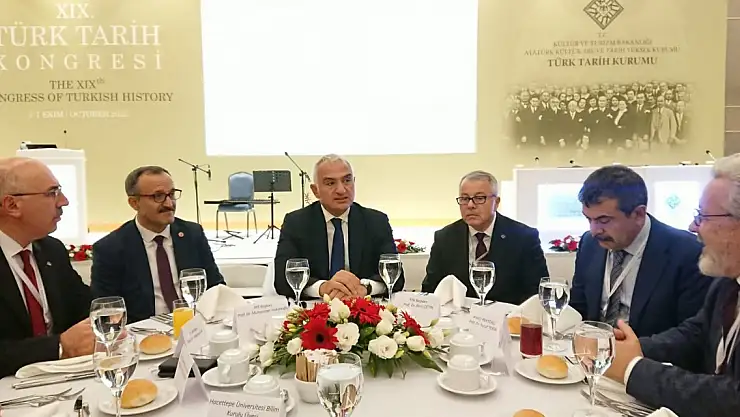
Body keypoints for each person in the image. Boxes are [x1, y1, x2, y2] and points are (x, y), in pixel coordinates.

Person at [604, 154, 740, 416]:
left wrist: (633, 368)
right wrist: (634, 347)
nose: (693, 227)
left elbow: (733, 397)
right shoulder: (727, 282)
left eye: (703, 216)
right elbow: (697, 333)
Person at [570, 165, 711, 337]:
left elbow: (693, 333)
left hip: (648, 351)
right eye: (589, 219)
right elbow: (578, 308)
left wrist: (631, 348)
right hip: (592, 348)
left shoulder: (686, 252)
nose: (594, 231)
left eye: (604, 220)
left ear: (638, 214)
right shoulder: (589, 244)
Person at [91, 166, 224, 323]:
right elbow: (107, 309)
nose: (169, 203)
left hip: (196, 324)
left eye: (171, 194)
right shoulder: (110, 248)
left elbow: (216, 287)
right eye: (158, 196)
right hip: (142, 331)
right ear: (134, 203)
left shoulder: (192, 234)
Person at [0, 157, 93, 378]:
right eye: (52, 193)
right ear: (12, 205)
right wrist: (58, 346)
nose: (64, 201)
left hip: (63, 381)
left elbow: (84, 306)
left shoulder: (52, 249)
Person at [274, 154, 403, 300]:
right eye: (330, 183)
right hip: (316, 307)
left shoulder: (376, 222)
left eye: (347, 180)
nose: (341, 190)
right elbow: (282, 280)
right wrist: (323, 288)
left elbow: (396, 277)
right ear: (315, 191)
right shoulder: (296, 223)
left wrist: (364, 287)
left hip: (362, 305)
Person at [421, 171, 549, 304]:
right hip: (457, 314)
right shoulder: (445, 238)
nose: (470, 205)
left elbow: (537, 293)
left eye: (479, 198)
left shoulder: (524, 237)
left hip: (509, 314)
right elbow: (430, 290)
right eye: (465, 199)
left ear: (496, 202)